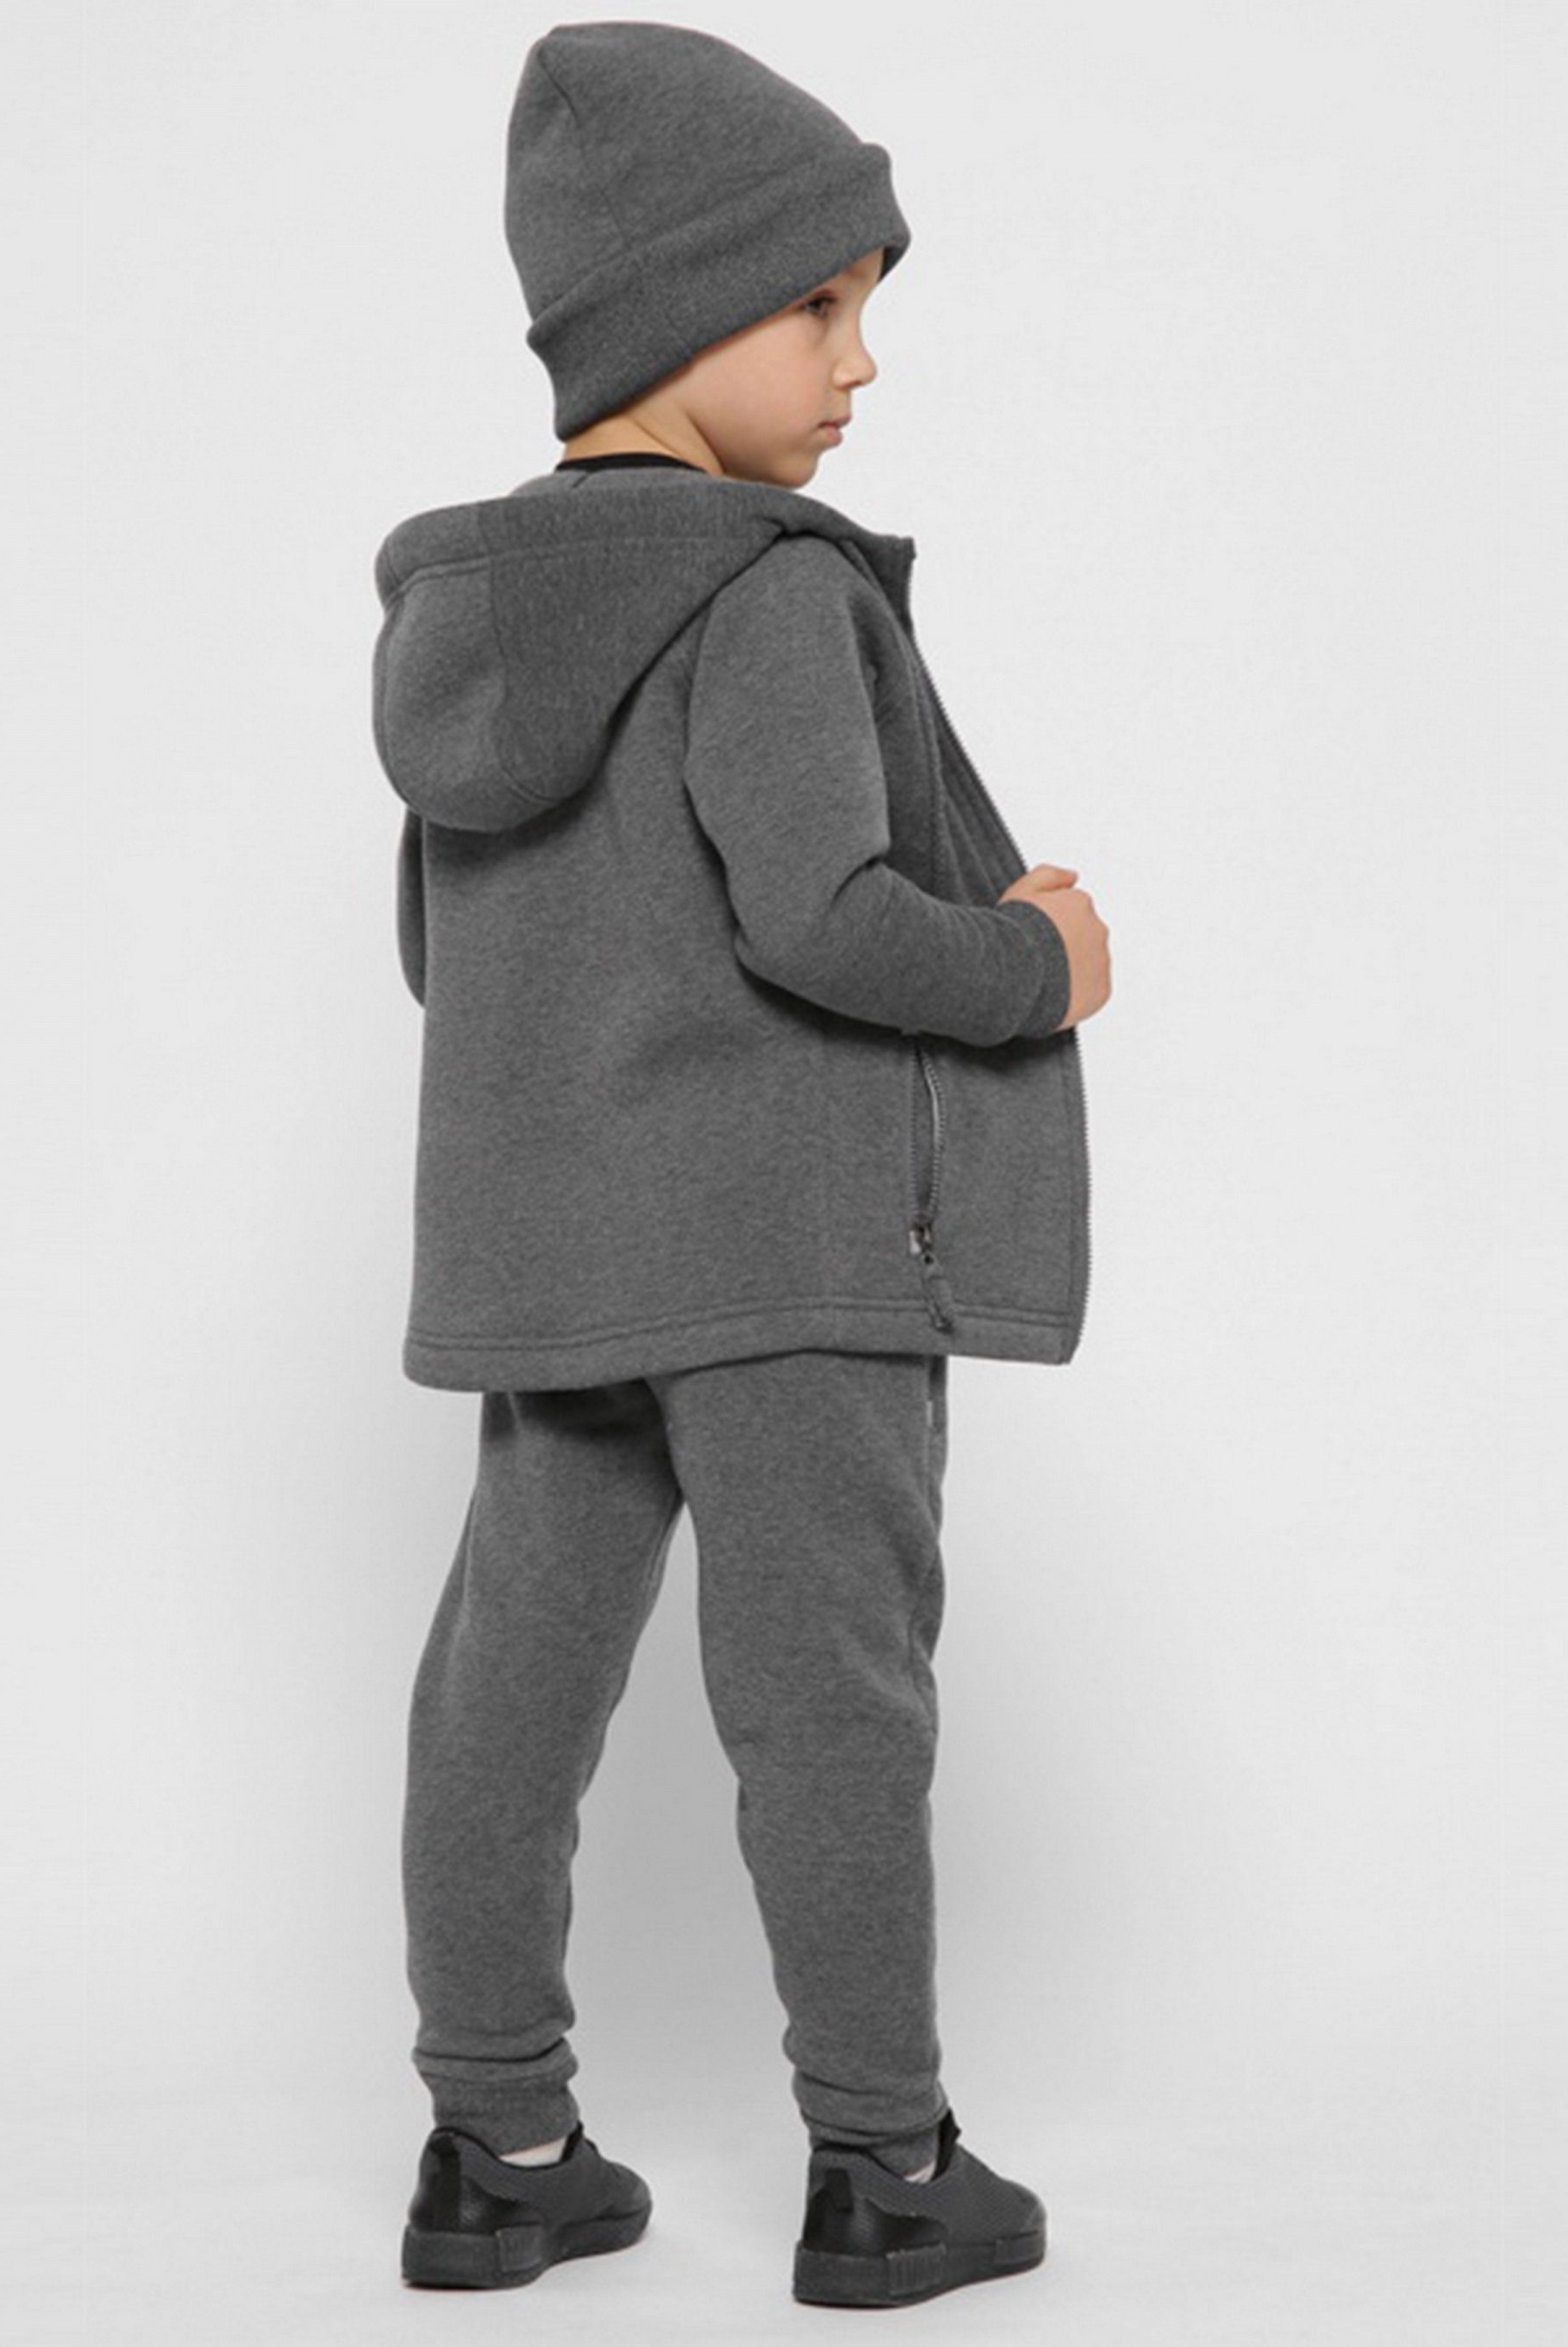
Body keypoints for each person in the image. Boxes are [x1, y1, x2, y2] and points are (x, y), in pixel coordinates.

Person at [370, 18, 1112, 2310]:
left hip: (554, 1255)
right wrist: (1035, 962)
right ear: (683, 309)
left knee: (506, 1693)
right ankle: (884, 2168)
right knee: (828, 1705)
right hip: (790, 1252)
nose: (859, 359)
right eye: (820, 303)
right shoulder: (768, 590)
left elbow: (440, 957)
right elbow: (821, 918)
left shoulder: (472, 630)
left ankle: (496, 2147)